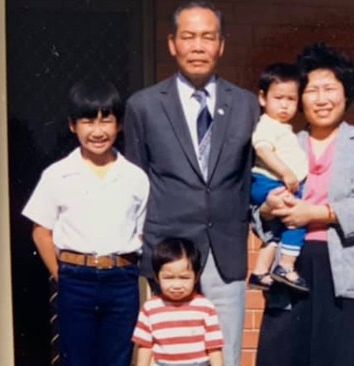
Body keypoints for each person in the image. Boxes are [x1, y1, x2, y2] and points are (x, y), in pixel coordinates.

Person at [123, 1, 260, 364]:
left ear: (221, 45)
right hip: (169, 254)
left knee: (224, 351)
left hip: (224, 250)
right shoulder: (144, 106)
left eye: (207, 37)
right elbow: (136, 181)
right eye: (188, 37)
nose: (198, 46)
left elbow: (249, 178)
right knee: (169, 352)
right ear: (172, 43)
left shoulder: (246, 105)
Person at [253, 43, 354, 366]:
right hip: (291, 266)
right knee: (282, 354)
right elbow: (256, 210)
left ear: (346, 93)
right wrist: (267, 207)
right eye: (312, 90)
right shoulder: (286, 143)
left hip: (343, 267)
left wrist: (316, 213)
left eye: (330, 89)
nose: (321, 99)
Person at [22, 79, 149, 366]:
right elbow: (41, 231)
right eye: (88, 121)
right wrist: (61, 275)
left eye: (107, 120)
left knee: (117, 358)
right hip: (75, 280)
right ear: (72, 125)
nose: (98, 131)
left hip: (122, 281)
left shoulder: (135, 177)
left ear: (119, 125)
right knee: (76, 359)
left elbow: (141, 233)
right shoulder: (58, 175)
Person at [247, 62, 309, 292]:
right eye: (278, 97)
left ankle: (260, 272)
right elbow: (263, 149)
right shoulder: (267, 125)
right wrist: (286, 172)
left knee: (274, 233)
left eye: (291, 99)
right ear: (263, 98)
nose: (284, 105)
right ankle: (286, 265)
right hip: (269, 182)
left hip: (272, 182)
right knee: (297, 220)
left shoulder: (283, 127)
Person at [133, 238, 223, 366]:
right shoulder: (150, 308)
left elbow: (214, 347)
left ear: (196, 277)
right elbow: (145, 345)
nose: (177, 285)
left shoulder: (205, 308)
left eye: (184, 278)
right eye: (169, 278)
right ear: (156, 277)